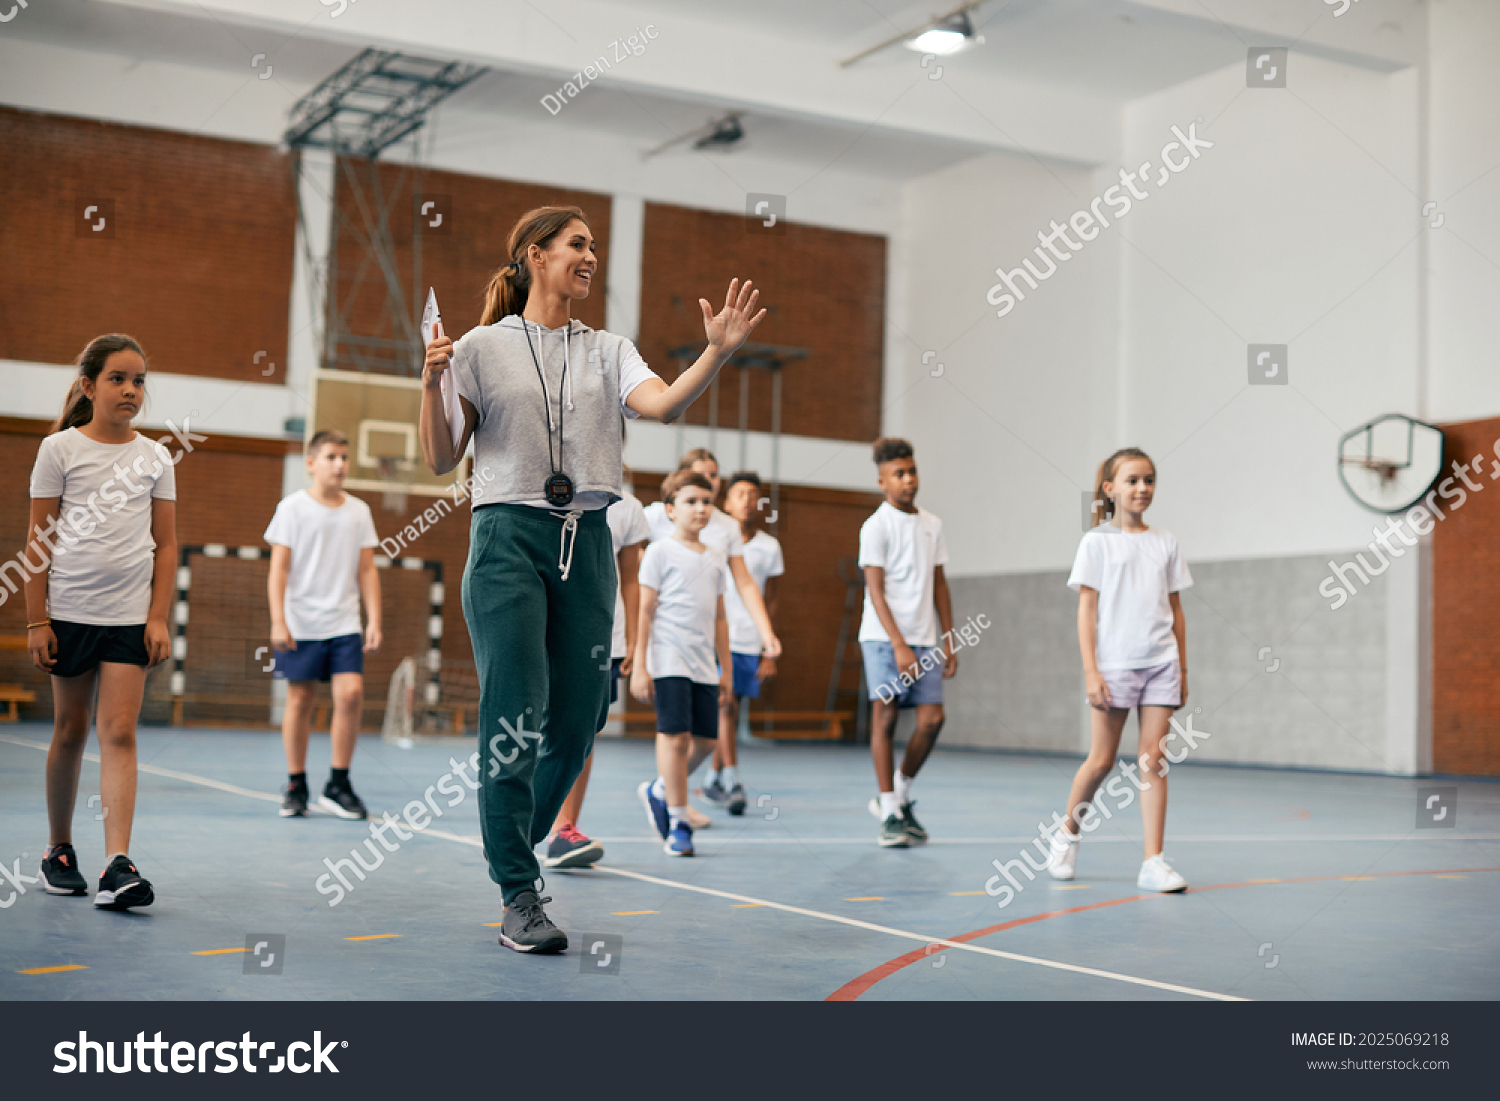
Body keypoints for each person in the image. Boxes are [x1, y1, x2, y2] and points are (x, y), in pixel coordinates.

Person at [419, 204, 769, 953]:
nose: (590, 256)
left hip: (588, 540)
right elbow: (440, 456)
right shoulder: (480, 347)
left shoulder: (610, 349)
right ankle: (518, 886)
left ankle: (515, 843)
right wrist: (431, 385)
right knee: (515, 711)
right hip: (507, 536)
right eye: (577, 244)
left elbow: (665, 402)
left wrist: (716, 354)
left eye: (594, 246)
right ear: (535, 255)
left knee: (578, 722)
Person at [25, 334, 175, 909]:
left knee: (119, 732)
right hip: (69, 615)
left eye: (139, 380)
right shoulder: (58, 450)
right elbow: (37, 542)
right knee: (69, 731)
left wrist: (157, 617)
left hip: (128, 621)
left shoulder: (156, 457)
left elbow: (167, 544)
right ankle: (58, 850)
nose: (131, 390)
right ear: (89, 386)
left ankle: (118, 864)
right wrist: (37, 622)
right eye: (118, 379)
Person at [1046, 447, 1192, 893]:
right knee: (1102, 761)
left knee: (1155, 759)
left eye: (1149, 480)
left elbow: (1177, 609)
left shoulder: (1165, 542)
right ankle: (1068, 833)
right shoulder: (1097, 542)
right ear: (1110, 489)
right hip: (1114, 666)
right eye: (1132, 481)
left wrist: (1182, 667)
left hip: (1161, 663)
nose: (1142, 488)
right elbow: (1086, 611)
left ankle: (1153, 861)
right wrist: (1092, 671)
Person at [642, 447, 780, 818]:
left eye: (716, 475)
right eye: (702, 474)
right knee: (675, 731)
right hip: (668, 639)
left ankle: (664, 790)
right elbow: (635, 571)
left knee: (706, 733)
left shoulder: (726, 526)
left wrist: (766, 632)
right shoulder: (657, 516)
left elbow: (746, 583)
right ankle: (675, 809)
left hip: (711, 637)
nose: (712, 482)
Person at [264, 429, 382, 820]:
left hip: (344, 620)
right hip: (301, 623)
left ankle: (338, 783)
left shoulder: (358, 511)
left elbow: (367, 569)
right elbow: (278, 569)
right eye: (331, 457)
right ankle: (296, 783)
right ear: (311, 463)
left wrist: (374, 619)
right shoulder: (292, 508)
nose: (340, 464)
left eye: (344, 457)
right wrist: (278, 620)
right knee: (300, 699)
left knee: (350, 695)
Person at [541, 460, 651, 869]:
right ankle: (530, 823)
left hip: (605, 637)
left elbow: (632, 580)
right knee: (541, 727)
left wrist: (634, 639)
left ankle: (564, 830)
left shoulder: (629, 508)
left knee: (582, 733)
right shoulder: (546, 494)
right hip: (550, 630)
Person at [858, 438, 957, 849]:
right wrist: (898, 644)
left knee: (932, 720)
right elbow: (875, 592)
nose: (908, 480)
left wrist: (948, 639)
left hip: (925, 640)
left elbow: (939, 584)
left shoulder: (932, 524)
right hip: (883, 640)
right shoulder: (875, 526)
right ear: (882, 481)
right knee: (885, 719)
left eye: (912, 471)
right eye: (899, 474)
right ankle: (890, 811)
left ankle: (898, 793)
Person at [630, 470, 732, 857]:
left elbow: (721, 617)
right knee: (674, 738)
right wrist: (641, 666)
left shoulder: (717, 558)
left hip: (705, 663)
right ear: (670, 510)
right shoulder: (658, 552)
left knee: (706, 742)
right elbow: (645, 612)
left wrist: (727, 670)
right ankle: (679, 821)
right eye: (691, 502)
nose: (700, 509)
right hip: (669, 659)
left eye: (706, 502)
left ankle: (659, 788)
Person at [701, 470, 783, 815]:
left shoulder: (770, 546)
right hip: (717, 639)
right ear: (727, 502)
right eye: (740, 494)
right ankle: (733, 778)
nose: (747, 501)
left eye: (753, 495)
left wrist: (768, 648)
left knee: (730, 710)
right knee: (726, 705)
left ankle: (712, 777)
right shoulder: (711, 538)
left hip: (751, 642)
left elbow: (772, 600)